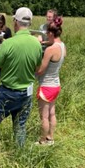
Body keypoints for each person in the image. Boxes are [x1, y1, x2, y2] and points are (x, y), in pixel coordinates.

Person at [0, 7, 42, 150]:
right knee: (20, 126)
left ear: (15, 22)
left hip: (7, 93)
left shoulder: (7, 44)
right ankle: (20, 154)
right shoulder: (37, 44)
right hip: (26, 92)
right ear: (30, 23)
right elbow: (37, 70)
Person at [35, 17, 66, 145]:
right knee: (52, 113)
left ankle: (42, 141)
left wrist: (33, 66)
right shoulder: (62, 46)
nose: (45, 36)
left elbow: (40, 70)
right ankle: (50, 138)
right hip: (55, 84)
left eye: (47, 33)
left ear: (51, 34)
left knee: (44, 116)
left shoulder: (50, 50)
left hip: (46, 86)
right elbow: (53, 45)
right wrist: (44, 43)